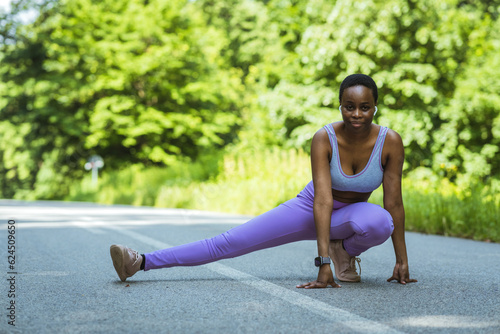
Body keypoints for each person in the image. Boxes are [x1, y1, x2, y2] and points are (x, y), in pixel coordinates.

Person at [110, 74, 417, 288]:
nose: (357, 114)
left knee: (380, 220)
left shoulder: (390, 142)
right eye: (349, 106)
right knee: (229, 243)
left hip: (350, 216)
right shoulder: (324, 138)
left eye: (365, 107)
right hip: (310, 207)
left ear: (375, 106)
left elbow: (394, 203)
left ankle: (345, 251)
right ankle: (141, 261)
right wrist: (323, 262)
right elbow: (323, 200)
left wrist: (401, 260)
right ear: (340, 106)